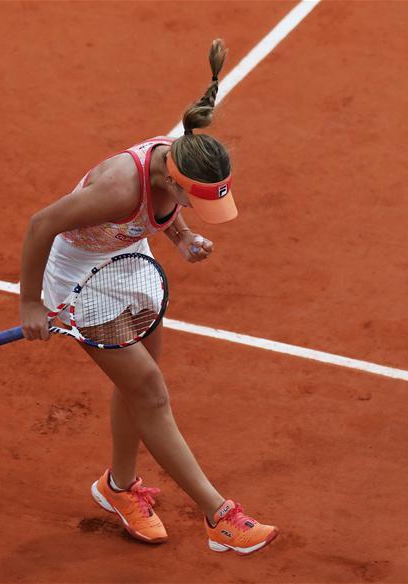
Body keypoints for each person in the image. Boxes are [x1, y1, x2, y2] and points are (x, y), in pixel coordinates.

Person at [18, 39, 278, 556]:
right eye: (193, 202)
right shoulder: (117, 189)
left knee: (138, 383)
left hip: (126, 261)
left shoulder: (176, 161)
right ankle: (220, 517)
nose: (197, 208)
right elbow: (41, 224)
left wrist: (181, 237)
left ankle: (118, 487)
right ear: (171, 180)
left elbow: (161, 213)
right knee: (152, 393)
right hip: (77, 276)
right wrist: (30, 304)